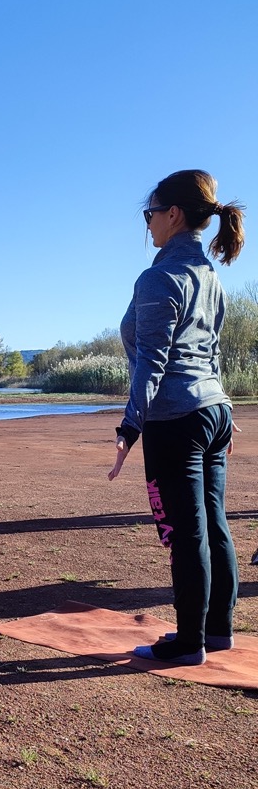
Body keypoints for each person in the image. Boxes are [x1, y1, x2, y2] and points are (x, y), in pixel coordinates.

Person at [108, 170, 245, 666]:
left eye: (150, 213)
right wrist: (223, 410)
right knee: (212, 522)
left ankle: (190, 643)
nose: (147, 224)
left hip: (177, 418)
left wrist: (129, 428)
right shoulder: (209, 276)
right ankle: (218, 630)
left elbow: (152, 361)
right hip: (212, 410)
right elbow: (210, 354)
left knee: (186, 532)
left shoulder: (159, 277)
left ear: (174, 215)